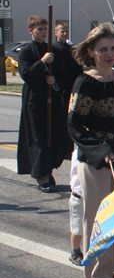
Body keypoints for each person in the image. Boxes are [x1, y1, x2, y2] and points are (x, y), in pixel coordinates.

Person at [68, 23, 114, 278]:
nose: (110, 53)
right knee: (99, 217)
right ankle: (100, 274)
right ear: (91, 52)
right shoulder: (86, 82)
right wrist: (100, 148)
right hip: (95, 158)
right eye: (103, 49)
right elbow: (74, 125)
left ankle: (112, 266)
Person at [17, 16, 68, 193]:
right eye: (39, 29)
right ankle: (41, 175)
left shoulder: (55, 51)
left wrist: (56, 81)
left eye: (45, 29)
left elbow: (64, 75)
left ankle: (48, 169)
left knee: (53, 136)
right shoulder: (25, 51)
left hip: (52, 100)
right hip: (35, 99)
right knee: (39, 137)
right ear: (31, 31)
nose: (43, 32)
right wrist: (42, 63)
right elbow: (26, 74)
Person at [53, 22, 84, 158]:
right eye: (62, 32)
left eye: (66, 31)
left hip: (72, 87)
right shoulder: (54, 48)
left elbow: (78, 67)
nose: (64, 34)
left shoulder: (72, 49)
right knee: (60, 119)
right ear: (56, 33)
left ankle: (69, 148)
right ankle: (59, 148)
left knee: (71, 118)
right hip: (60, 89)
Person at [69, 148, 83, 266]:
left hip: (95, 197)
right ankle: (75, 252)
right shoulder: (79, 152)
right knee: (78, 229)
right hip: (79, 196)